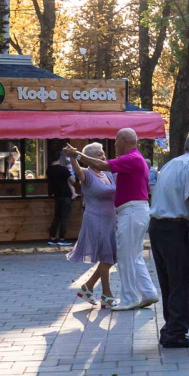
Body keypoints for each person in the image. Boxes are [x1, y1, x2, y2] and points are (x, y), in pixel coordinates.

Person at [63, 130, 159, 312]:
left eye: (115, 143)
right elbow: (87, 170)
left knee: (124, 256)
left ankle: (129, 298)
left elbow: (103, 165)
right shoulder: (133, 159)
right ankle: (147, 292)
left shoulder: (130, 158)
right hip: (122, 214)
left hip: (130, 212)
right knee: (132, 255)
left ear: (123, 141)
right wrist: (76, 158)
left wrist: (76, 154)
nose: (113, 147)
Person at [148, 130, 189, 348]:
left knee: (169, 280)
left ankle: (171, 328)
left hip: (158, 225)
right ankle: (175, 332)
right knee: (180, 280)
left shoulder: (171, 163)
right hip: (174, 227)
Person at [65, 143, 119, 309]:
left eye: (102, 154)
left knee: (111, 257)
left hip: (110, 219)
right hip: (95, 219)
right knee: (106, 256)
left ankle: (87, 287)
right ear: (88, 158)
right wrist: (74, 156)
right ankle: (106, 295)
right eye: (97, 155)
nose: (102, 158)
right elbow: (78, 172)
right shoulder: (87, 173)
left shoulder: (108, 172)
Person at [47, 149, 75, 246]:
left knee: (57, 217)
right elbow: (73, 180)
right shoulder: (63, 169)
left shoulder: (49, 170)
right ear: (59, 157)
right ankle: (62, 238)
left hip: (56, 196)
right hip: (66, 196)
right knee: (65, 218)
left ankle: (52, 237)